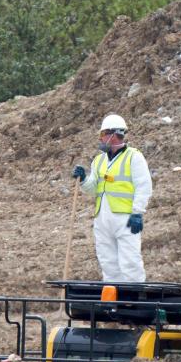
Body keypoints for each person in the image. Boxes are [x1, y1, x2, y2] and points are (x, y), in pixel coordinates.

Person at [72, 114, 152, 282]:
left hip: (125, 218)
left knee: (130, 261)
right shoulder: (98, 161)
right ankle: (113, 301)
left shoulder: (133, 157)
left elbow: (143, 186)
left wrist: (137, 212)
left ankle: (134, 300)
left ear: (114, 134)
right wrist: (84, 179)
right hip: (103, 218)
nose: (101, 139)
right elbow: (94, 188)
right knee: (108, 262)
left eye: (103, 135)